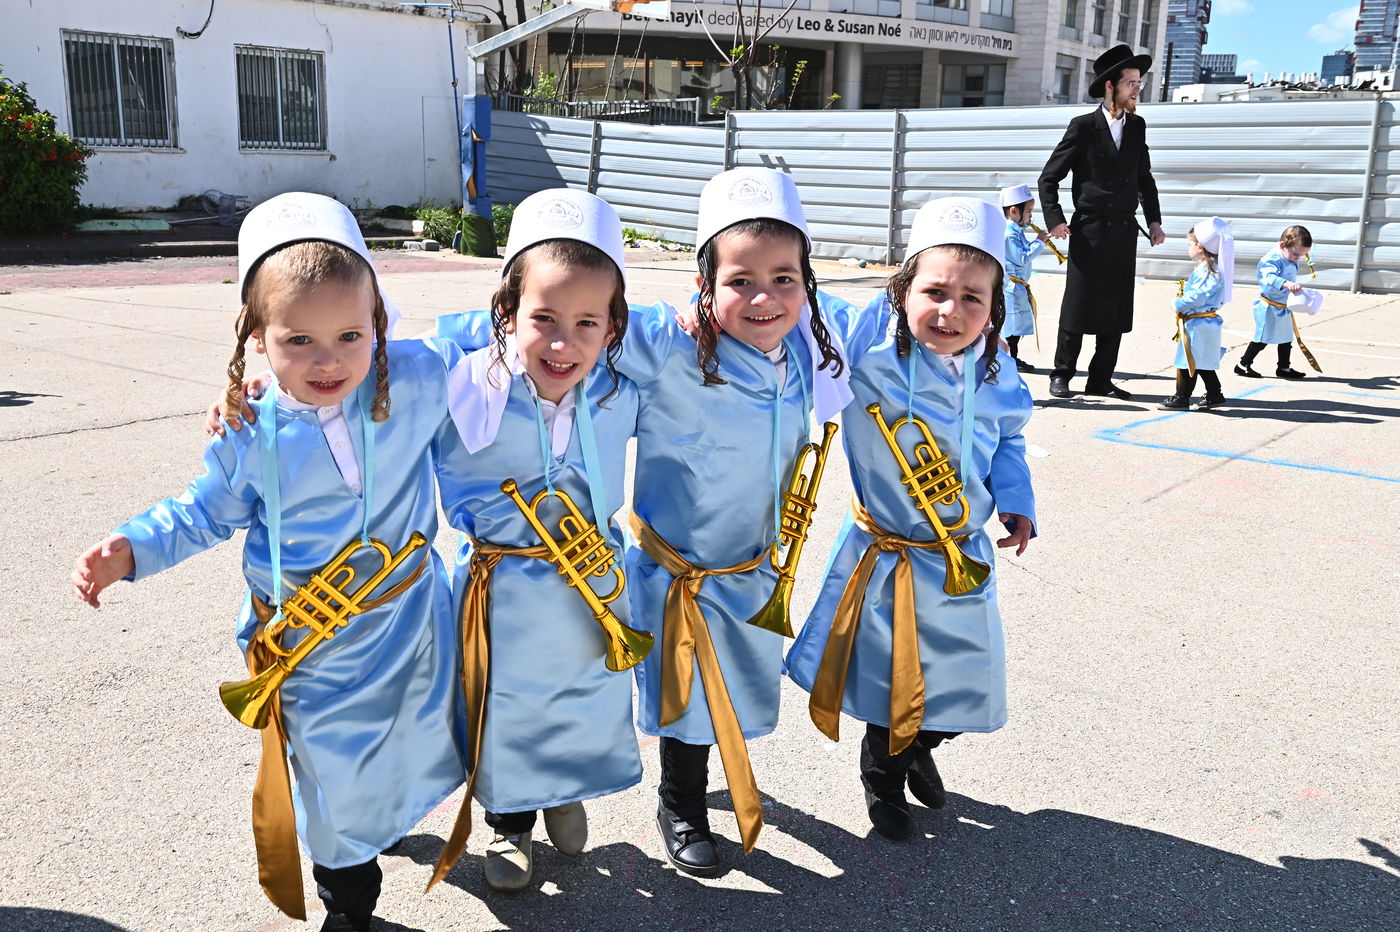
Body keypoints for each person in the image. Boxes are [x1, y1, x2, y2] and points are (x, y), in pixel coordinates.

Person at [437, 167, 850, 877]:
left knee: (645, 699)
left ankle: (567, 793)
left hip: (753, 567)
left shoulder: (817, 337)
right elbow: (554, 312)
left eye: (786, 279)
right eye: (739, 280)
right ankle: (676, 805)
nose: (764, 298)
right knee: (660, 700)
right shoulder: (665, 344)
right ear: (702, 288)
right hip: (672, 569)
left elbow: (900, 322)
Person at [70, 193, 466, 932]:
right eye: (299, 341)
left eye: (351, 335)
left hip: (412, 628)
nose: (328, 361)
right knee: (325, 785)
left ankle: (382, 823)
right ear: (257, 336)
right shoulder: (250, 431)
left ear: (379, 322)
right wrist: (130, 549)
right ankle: (352, 906)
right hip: (310, 652)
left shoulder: (416, 378)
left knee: (409, 749)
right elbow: (201, 511)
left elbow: (509, 352)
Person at [785, 196, 1036, 841]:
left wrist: (1017, 502)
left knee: (963, 680)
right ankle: (883, 771)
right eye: (935, 291)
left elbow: (1008, 440)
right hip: (887, 554)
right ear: (901, 291)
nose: (952, 311)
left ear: (995, 306)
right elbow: (791, 298)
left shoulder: (996, 365)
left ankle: (917, 744)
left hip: (962, 552)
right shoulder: (868, 345)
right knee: (890, 678)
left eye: (973, 298)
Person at [426, 190, 643, 893]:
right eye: (542, 319)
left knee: (582, 692)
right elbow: (358, 362)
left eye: (587, 322)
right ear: (505, 316)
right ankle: (510, 822)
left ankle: (564, 787)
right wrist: (253, 389)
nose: (562, 342)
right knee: (506, 704)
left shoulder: (622, 390)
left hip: (591, 587)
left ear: (613, 329)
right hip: (502, 586)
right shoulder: (458, 379)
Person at [1039, 43, 1166, 400]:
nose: (1137, 89)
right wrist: (1056, 221)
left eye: (1139, 83)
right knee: (1078, 304)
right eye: (1131, 83)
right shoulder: (1083, 126)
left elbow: (1145, 179)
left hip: (1124, 231)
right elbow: (1049, 178)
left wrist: (1154, 221)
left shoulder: (1138, 126)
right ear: (1111, 86)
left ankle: (1100, 378)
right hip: (1089, 231)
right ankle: (1062, 373)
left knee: (1116, 307)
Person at [1162, 217, 1233, 411]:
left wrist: (1177, 303)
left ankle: (1182, 397)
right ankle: (1214, 394)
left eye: (1190, 244)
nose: (1189, 248)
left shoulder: (1206, 271)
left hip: (1198, 323)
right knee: (1203, 361)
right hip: (1206, 323)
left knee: (1189, 360)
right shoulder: (1215, 270)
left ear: (1200, 247)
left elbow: (1196, 297)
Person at [1235, 225, 1319, 380]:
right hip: (1269, 306)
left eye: (1301, 255)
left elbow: (1291, 264)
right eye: (1295, 254)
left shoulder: (1290, 256)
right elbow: (1268, 277)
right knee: (1262, 338)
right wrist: (1286, 283)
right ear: (1282, 245)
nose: (1297, 258)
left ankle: (1283, 367)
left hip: (1283, 305)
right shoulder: (1271, 259)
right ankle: (1242, 365)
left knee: (1286, 338)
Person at [1000, 183, 1049, 373]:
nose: (1031, 216)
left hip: (1018, 288)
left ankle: (1013, 357)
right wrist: (1039, 242)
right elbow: (1022, 258)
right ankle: (1009, 358)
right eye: (1028, 211)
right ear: (1014, 211)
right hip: (1011, 289)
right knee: (1011, 326)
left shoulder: (1016, 233)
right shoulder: (1009, 235)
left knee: (1017, 326)